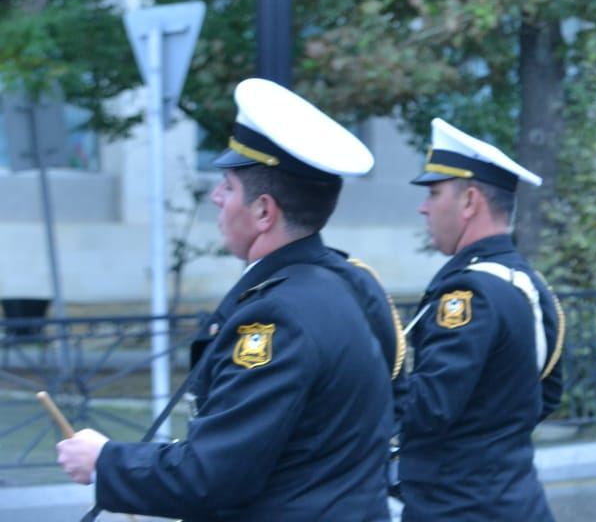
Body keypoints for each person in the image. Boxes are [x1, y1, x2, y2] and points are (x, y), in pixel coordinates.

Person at [55, 78, 398, 521]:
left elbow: (212, 475)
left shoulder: (278, 315)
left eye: (229, 187)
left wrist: (104, 461)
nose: (216, 197)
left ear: (263, 212)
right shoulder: (350, 282)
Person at [397, 118, 564, 522]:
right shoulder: (527, 282)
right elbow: (550, 392)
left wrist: (372, 372)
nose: (423, 206)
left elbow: (427, 408)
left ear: (470, 201)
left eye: (434, 193)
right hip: (515, 499)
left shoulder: (468, 294)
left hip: (460, 507)